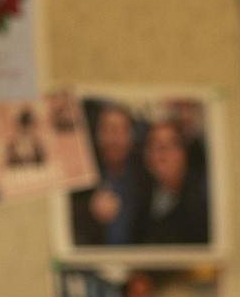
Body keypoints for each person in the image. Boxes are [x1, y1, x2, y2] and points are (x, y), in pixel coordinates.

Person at [71, 102, 141, 246]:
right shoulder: (81, 176)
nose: (114, 139)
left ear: (131, 136)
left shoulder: (142, 176)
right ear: (97, 135)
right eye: (108, 130)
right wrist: (89, 210)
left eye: (121, 130)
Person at [132, 119, 209, 246]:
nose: (161, 156)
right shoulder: (142, 192)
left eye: (167, 146)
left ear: (183, 153)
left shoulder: (201, 200)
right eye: (154, 146)